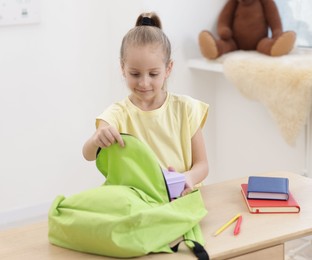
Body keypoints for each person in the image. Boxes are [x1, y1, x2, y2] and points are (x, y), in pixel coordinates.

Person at [83, 12, 209, 195]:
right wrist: (96, 139)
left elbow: (202, 165)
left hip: (182, 197)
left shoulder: (186, 108)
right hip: (138, 200)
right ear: (122, 68)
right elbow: (88, 154)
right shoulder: (116, 114)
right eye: (135, 74)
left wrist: (188, 178)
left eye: (153, 74)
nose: (143, 83)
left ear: (168, 69)